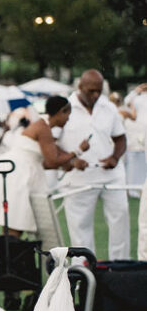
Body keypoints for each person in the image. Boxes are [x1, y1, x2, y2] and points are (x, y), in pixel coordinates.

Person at [0, 96, 81, 238]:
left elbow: (47, 162)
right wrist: (77, 151)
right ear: (62, 111)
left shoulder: (43, 127)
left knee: (15, 222)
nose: (68, 119)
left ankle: (10, 257)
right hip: (17, 173)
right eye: (68, 114)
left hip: (19, 170)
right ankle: (10, 257)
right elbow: (53, 160)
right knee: (16, 221)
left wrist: (70, 163)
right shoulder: (43, 128)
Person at [58, 70, 130, 259]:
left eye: (98, 91)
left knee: (120, 220)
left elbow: (121, 139)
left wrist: (114, 157)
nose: (96, 95)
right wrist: (72, 161)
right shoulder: (65, 107)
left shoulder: (108, 107)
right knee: (80, 228)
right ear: (80, 87)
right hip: (79, 178)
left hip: (111, 175)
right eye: (91, 91)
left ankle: (120, 269)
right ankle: (85, 273)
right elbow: (53, 145)